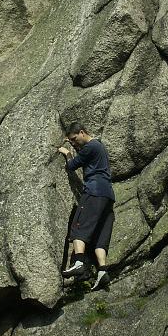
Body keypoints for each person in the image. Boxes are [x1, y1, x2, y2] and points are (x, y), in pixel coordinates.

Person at [58, 122, 115, 291]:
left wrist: (67, 152)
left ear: (82, 132)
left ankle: (79, 262)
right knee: (100, 236)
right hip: (108, 196)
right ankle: (102, 271)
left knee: (79, 226)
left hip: (94, 192)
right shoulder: (98, 147)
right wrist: (71, 142)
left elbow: (72, 165)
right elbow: (82, 154)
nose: (74, 143)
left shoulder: (91, 146)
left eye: (75, 139)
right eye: (71, 141)